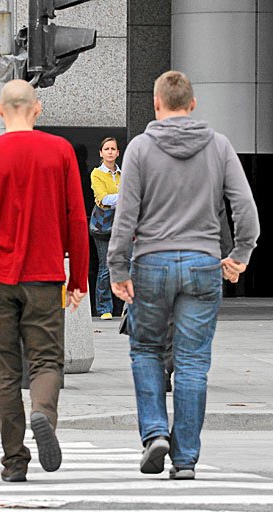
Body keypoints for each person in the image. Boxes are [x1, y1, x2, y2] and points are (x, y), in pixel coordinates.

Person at [108, 70, 259, 480]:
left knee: (146, 350)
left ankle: (155, 432)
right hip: (203, 263)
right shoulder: (219, 146)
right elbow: (245, 209)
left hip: (151, 263)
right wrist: (240, 255)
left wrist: (118, 267)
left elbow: (126, 215)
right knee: (193, 362)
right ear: (192, 105)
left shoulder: (140, 149)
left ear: (156, 104)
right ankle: (186, 458)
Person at [0, 80, 89, 482]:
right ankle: (42, 412)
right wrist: (79, 280)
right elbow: (76, 218)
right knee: (47, 360)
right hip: (45, 277)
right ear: (38, 109)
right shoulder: (60, 151)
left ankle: (14, 461)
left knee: (4, 372)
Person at [89, 137, 121, 320]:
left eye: (113, 149)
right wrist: (126, 195)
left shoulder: (124, 174)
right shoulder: (96, 174)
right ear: (101, 153)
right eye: (106, 149)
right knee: (106, 266)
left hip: (123, 224)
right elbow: (103, 199)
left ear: (118, 153)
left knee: (128, 263)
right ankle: (104, 308)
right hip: (103, 226)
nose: (110, 152)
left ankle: (126, 307)